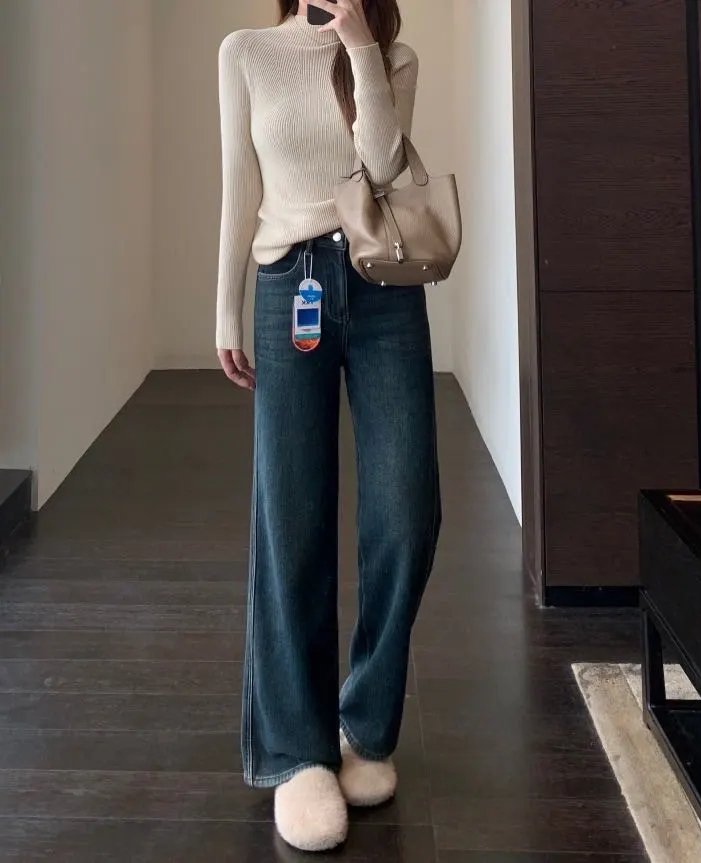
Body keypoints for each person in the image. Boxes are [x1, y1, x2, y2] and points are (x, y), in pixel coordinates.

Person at [214, 0, 440, 851]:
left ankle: (365, 724)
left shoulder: (392, 54)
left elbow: (381, 161)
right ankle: (296, 750)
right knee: (293, 516)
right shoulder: (246, 51)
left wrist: (357, 45)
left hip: (383, 283)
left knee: (407, 512)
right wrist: (226, 307)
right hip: (289, 286)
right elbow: (240, 183)